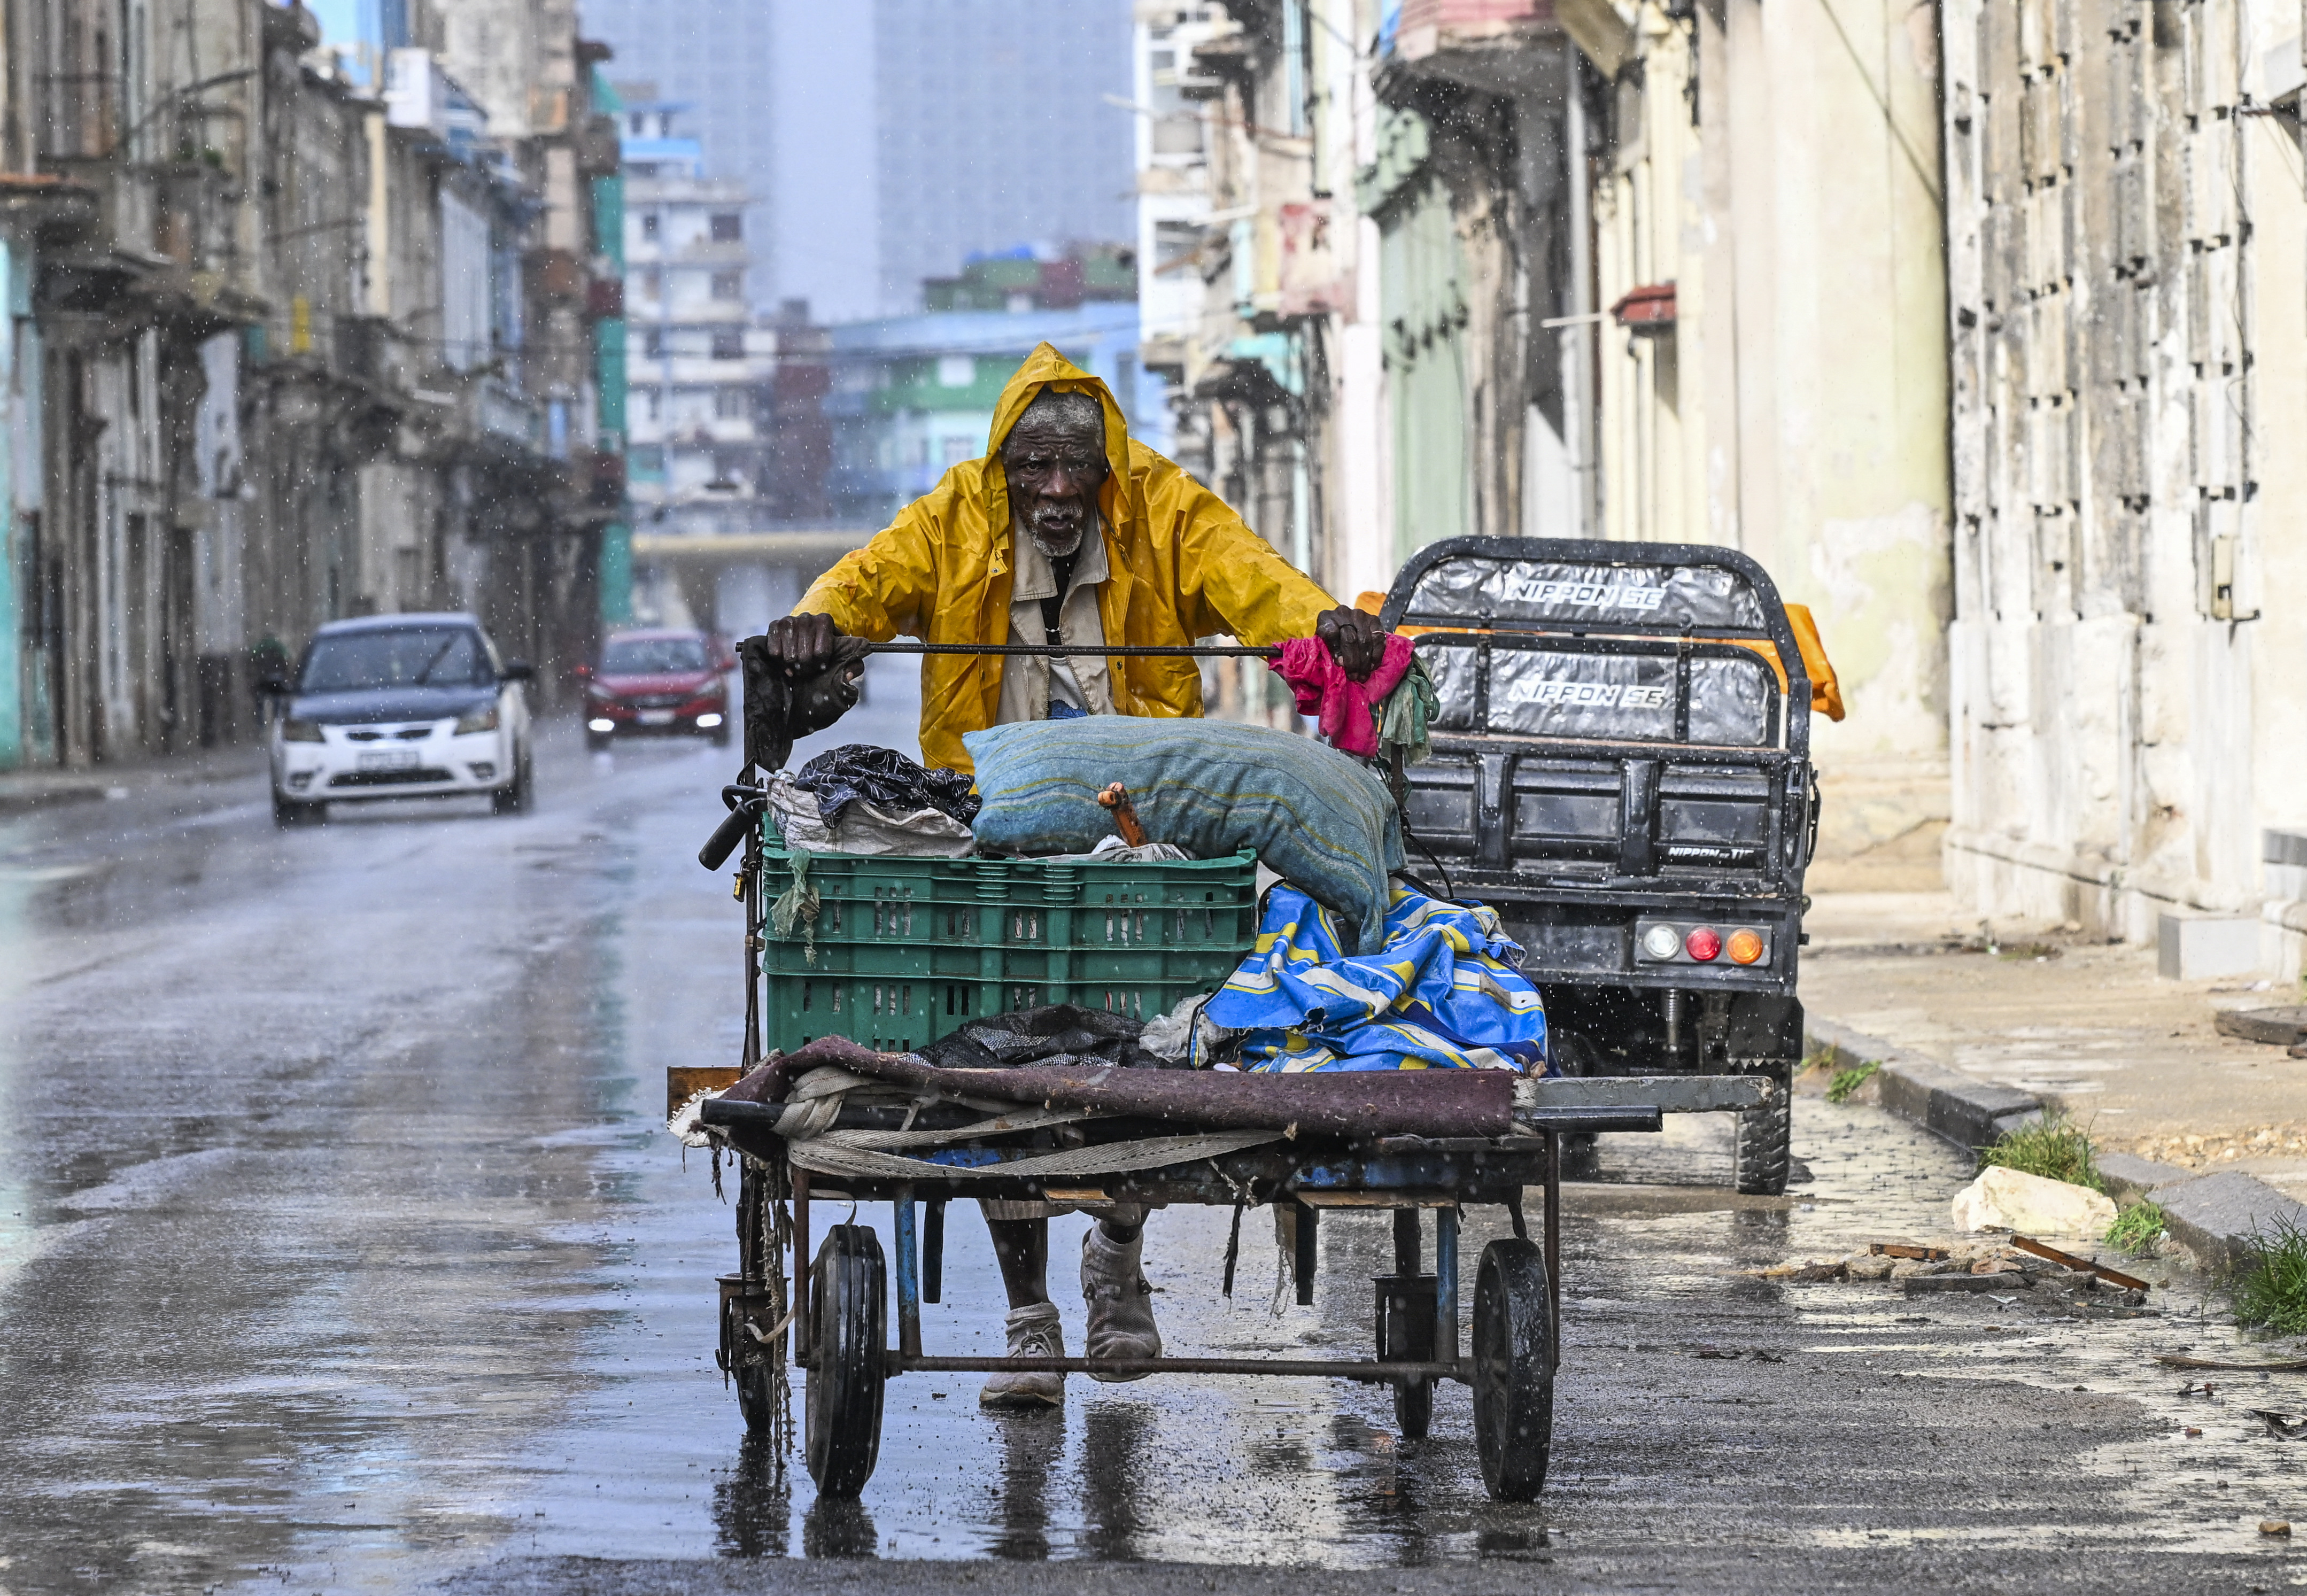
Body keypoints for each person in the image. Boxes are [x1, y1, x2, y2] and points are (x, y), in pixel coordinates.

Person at [757, 342, 1391, 1408]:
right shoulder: (952, 515)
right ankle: (1028, 1318)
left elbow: (1253, 579)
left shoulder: (1164, 507)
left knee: (1138, 1041)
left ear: (1107, 470)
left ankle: (1116, 1254)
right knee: (992, 1062)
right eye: (1032, 468)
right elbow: (869, 580)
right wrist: (821, 616)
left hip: (1140, 834)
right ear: (1002, 465)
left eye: (1076, 471)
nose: (1056, 492)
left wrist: (1318, 623)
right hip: (991, 838)